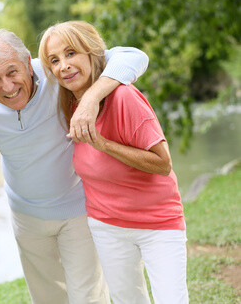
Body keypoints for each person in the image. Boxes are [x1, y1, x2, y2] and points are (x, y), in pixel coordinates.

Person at [0, 29, 148, 303]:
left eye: (13, 72)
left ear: (28, 63)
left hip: (78, 210)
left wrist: (89, 99)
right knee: (47, 299)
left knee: (87, 297)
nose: (6, 86)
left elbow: (134, 56)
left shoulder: (55, 74)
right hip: (26, 217)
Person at [39, 20, 188, 304]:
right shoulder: (66, 105)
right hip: (107, 226)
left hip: (158, 224)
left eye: (71, 53)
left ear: (93, 54)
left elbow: (163, 163)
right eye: (54, 61)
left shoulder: (123, 96)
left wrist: (103, 144)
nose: (64, 66)